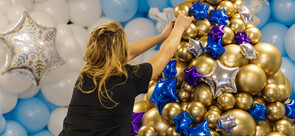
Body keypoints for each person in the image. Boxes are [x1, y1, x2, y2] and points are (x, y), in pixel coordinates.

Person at [59, 13, 194, 136]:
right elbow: (166, 53)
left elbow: (128, 53)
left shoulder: (86, 75)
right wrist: (179, 28)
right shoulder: (127, 79)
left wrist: (162, 36)